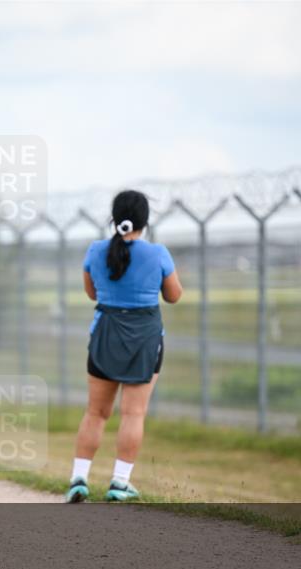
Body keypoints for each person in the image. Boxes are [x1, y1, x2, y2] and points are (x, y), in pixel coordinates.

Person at [66, 190, 183, 503]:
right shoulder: (158, 253)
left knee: (95, 412)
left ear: (114, 218)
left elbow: (92, 293)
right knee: (133, 413)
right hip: (145, 339)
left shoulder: (95, 250)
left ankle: (79, 479)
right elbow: (174, 296)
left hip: (104, 334)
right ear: (145, 221)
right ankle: (119, 482)